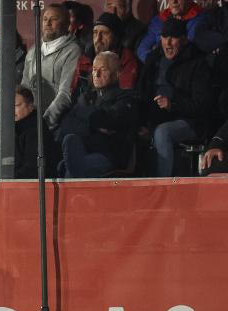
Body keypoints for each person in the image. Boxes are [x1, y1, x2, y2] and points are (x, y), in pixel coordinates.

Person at [136, 18, 212, 177]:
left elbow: (202, 104)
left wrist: (173, 105)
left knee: (163, 132)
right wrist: (141, 121)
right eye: (164, 37)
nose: (168, 43)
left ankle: (164, 188)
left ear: (184, 40)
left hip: (188, 121)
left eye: (173, 38)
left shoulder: (197, 63)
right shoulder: (154, 59)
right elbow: (142, 92)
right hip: (154, 117)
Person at [58, 52, 138, 178]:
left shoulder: (127, 98)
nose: (97, 74)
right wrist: (92, 127)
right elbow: (65, 124)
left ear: (117, 74)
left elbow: (108, 121)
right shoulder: (87, 97)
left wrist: (82, 112)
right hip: (85, 151)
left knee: (68, 170)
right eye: (94, 70)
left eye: (103, 70)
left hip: (109, 156)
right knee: (70, 141)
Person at [21, 4, 83, 131]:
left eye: (54, 19)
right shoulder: (33, 51)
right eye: (45, 19)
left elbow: (65, 94)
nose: (47, 23)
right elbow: (24, 89)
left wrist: (44, 123)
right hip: (32, 124)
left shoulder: (73, 51)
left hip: (56, 126)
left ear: (67, 24)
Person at [73, 12, 140, 97]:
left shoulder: (126, 60)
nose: (98, 38)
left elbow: (124, 96)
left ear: (116, 37)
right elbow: (74, 90)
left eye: (104, 33)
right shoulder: (85, 59)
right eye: (95, 32)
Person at [14, 85, 59, 179]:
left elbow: (31, 169)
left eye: (16, 105)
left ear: (30, 107)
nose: (11, 109)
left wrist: (8, 180)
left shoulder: (37, 130)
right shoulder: (7, 130)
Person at [136, 0, 204, 63]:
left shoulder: (201, 20)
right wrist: (159, 63)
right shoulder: (159, 20)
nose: (174, 1)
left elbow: (191, 52)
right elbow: (142, 50)